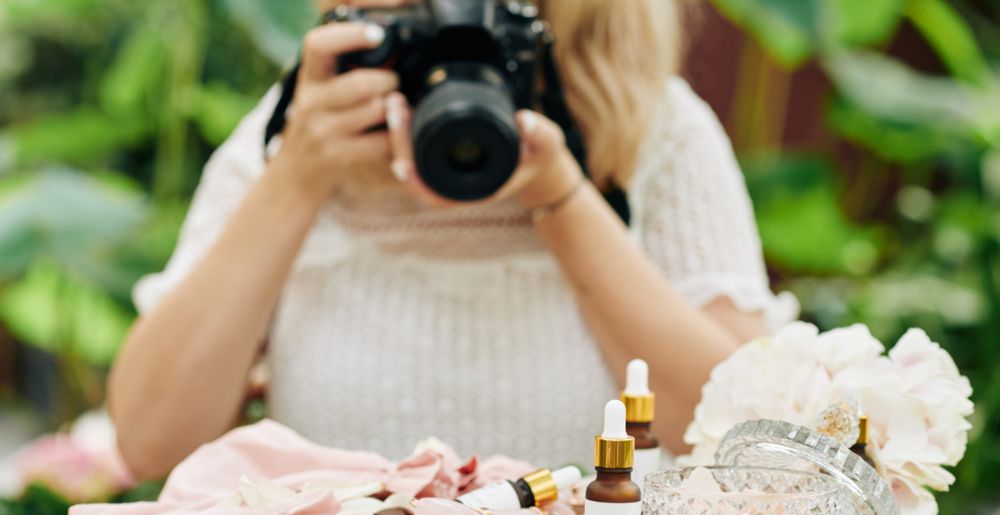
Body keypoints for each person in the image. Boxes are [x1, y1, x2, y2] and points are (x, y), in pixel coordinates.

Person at [108, 0, 796, 479]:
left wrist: (561, 196)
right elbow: (153, 441)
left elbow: (735, 436)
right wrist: (297, 176)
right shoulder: (302, 130)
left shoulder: (656, 128)